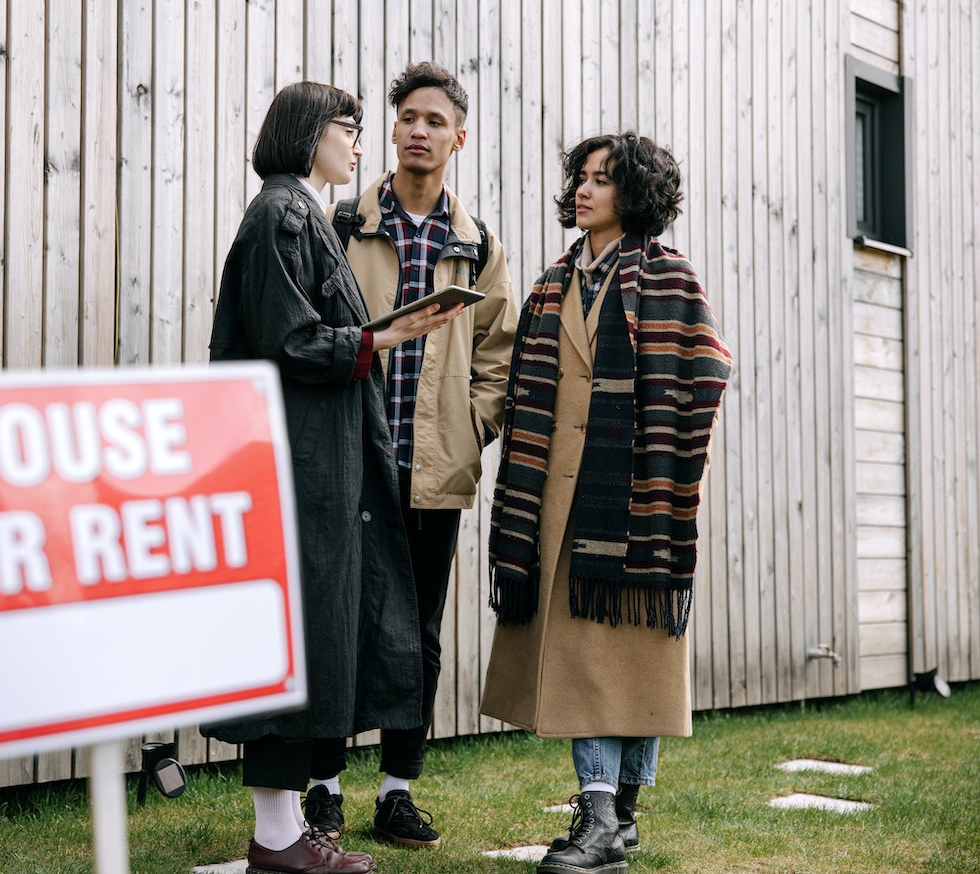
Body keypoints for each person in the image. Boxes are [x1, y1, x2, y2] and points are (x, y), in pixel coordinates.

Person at [203, 81, 463, 874]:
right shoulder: (284, 213)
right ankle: (277, 839)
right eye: (349, 128)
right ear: (311, 132)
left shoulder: (297, 212)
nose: (360, 142)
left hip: (312, 463)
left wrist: (381, 334)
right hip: (298, 465)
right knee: (294, 638)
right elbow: (292, 342)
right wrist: (383, 339)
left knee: (305, 639)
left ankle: (283, 833)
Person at [480, 132, 732, 874]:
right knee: (587, 658)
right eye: (580, 178)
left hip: (637, 497)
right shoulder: (553, 282)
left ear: (637, 193)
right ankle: (602, 816)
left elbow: (707, 372)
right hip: (555, 499)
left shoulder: (671, 277)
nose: (585, 191)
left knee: (633, 662)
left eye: (603, 180)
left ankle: (614, 820)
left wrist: (661, 456)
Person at [303, 61, 518, 851]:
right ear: (393, 131)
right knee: (335, 623)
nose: (419, 130)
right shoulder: (338, 224)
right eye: (407, 118)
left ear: (459, 137)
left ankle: (397, 790)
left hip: (433, 471)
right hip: (351, 463)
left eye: (435, 120)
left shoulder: (478, 243)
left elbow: (499, 353)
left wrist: (474, 424)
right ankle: (322, 787)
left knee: (416, 632)